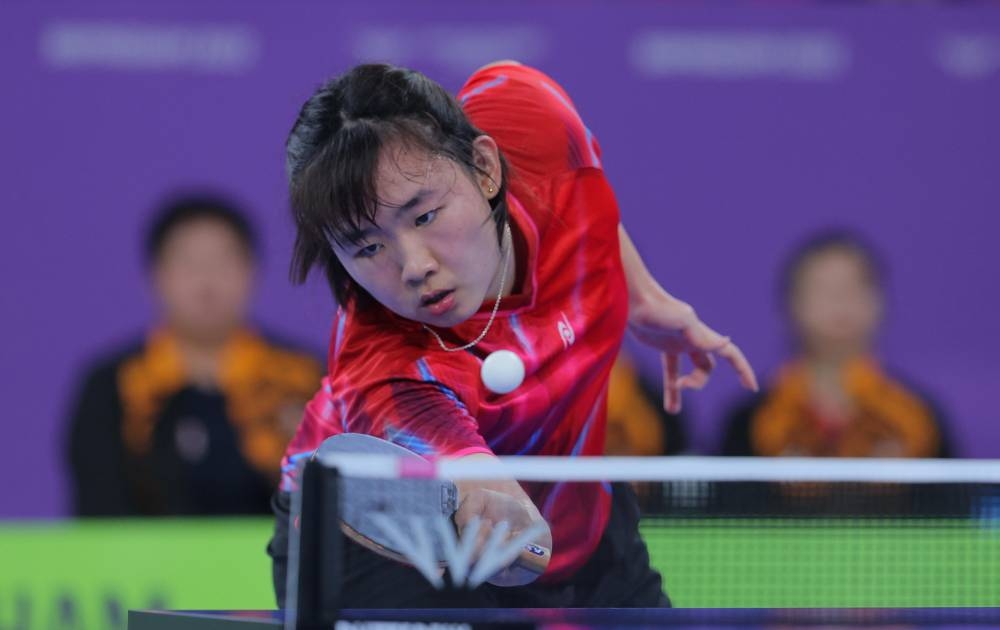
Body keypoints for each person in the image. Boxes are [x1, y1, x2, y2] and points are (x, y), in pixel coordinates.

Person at [269, 61, 757, 608]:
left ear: (484, 167)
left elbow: (580, 189)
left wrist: (643, 298)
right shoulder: (384, 368)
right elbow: (484, 493)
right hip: (384, 538)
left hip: (576, 514)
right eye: (366, 247)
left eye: (424, 216)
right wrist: (489, 496)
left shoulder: (529, 117)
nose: (412, 265)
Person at [65, 195, 323, 516]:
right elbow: (97, 508)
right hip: (141, 565)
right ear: (156, 275)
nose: (206, 282)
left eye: (222, 262)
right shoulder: (113, 384)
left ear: (252, 272)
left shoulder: (303, 378)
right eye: (188, 263)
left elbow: (326, 508)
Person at [721, 230, 950, 458]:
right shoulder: (752, 419)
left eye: (855, 286)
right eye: (823, 288)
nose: (840, 300)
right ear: (790, 305)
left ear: (880, 303)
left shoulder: (917, 415)